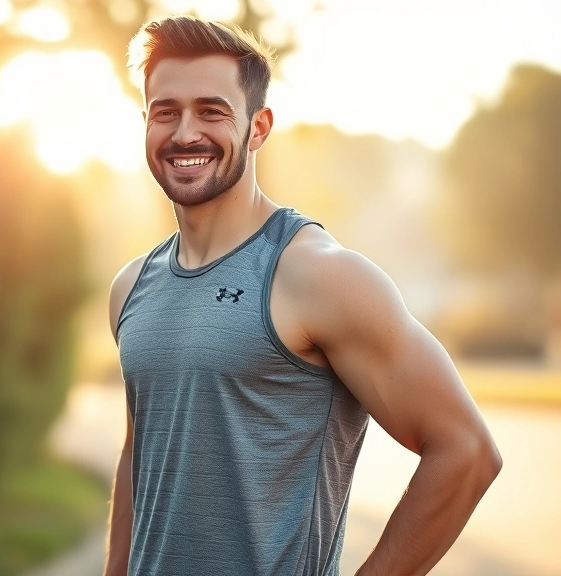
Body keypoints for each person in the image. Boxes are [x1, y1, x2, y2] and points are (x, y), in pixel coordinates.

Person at [104, 15, 502, 576]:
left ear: (258, 126)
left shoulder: (319, 277)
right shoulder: (132, 286)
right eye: (165, 112)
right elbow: (139, 455)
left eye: (212, 111)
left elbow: (467, 453)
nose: (185, 133)